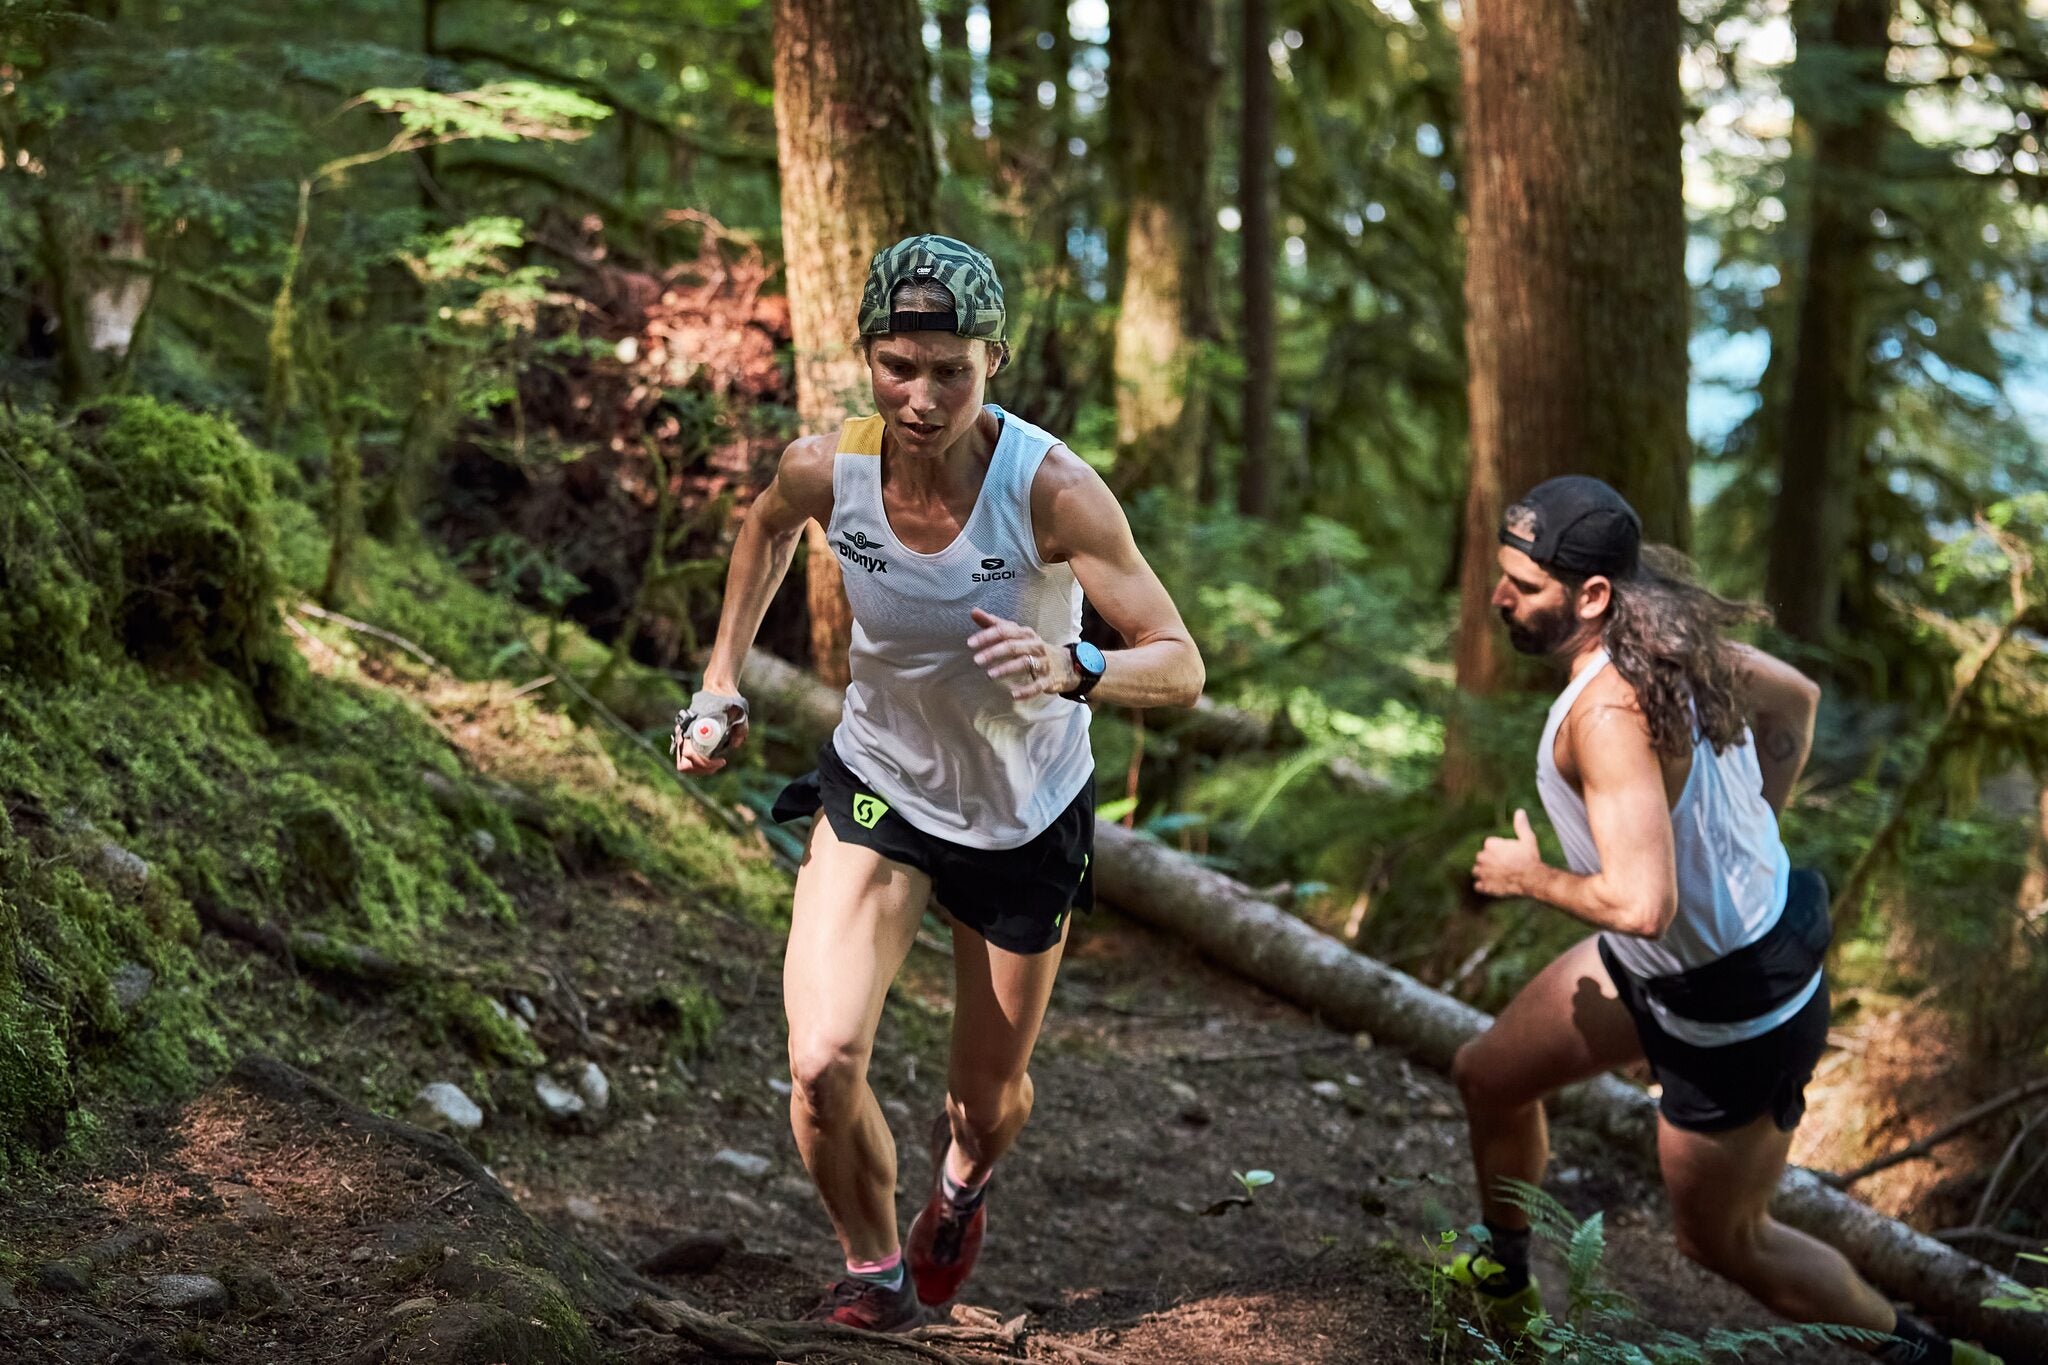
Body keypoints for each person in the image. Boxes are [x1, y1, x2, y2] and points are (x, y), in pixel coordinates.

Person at [676, 235, 1204, 1332]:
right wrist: (720, 676)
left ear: (993, 360)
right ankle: (872, 1270)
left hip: (1023, 816)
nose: (920, 399)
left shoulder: (1051, 491)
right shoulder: (829, 467)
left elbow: (1180, 662)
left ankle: (961, 1184)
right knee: (821, 1062)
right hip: (879, 784)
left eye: (949, 371)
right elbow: (766, 531)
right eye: (896, 366)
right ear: (867, 356)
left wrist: (1074, 665)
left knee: (985, 1101)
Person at [1445, 477, 2002, 1365]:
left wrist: (1530, 874)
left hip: (1738, 1009)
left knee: (1724, 1240)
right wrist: (1752, 830)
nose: (1498, 596)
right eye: (1501, 572)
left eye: (1523, 584)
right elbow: (1796, 697)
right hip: (1660, 963)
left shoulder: (1607, 713)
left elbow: (1641, 901)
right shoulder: (1664, 633)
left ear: (1593, 596)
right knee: (1491, 1075)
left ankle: (1924, 1351)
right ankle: (1504, 1274)